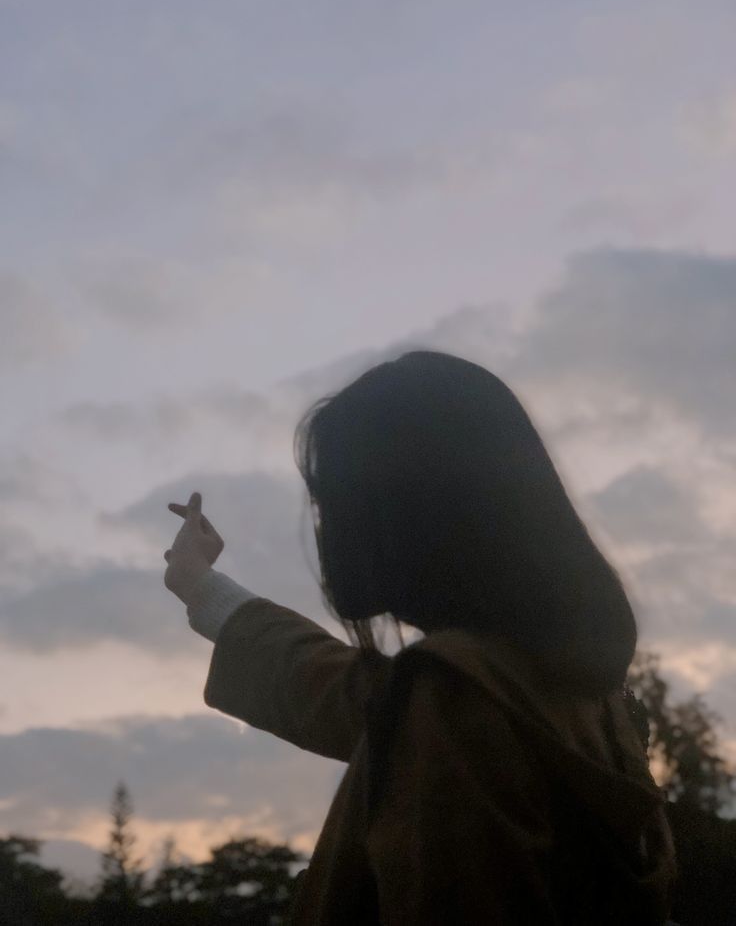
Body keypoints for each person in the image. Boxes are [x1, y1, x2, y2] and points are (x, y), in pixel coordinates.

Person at [163, 349, 678, 924]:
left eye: (331, 496)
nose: (324, 524)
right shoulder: (564, 694)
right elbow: (344, 692)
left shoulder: (457, 698)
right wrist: (201, 586)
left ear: (402, 506)